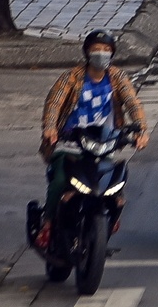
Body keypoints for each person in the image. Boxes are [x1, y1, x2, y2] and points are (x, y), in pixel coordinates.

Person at [36, 31, 149, 250]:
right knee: (60, 180)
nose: (101, 54)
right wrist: (50, 128)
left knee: (116, 186)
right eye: (97, 49)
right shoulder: (72, 77)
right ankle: (48, 223)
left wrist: (141, 131)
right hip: (71, 141)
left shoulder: (117, 77)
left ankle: (112, 217)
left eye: (106, 50)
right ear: (87, 52)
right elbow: (54, 103)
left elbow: (133, 104)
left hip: (104, 142)